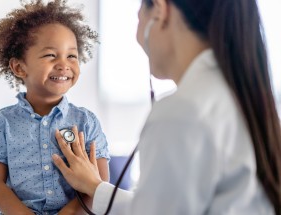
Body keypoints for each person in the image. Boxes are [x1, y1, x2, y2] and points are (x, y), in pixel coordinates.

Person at [52, 0, 281, 214]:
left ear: (160, 11)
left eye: (138, 15)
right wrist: (96, 188)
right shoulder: (235, 93)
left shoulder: (183, 110)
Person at [0, 1, 110, 214]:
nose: (63, 64)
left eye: (71, 55)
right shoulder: (1, 123)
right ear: (19, 67)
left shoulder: (86, 122)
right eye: (51, 55)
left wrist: (68, 213)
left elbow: (100, 183)